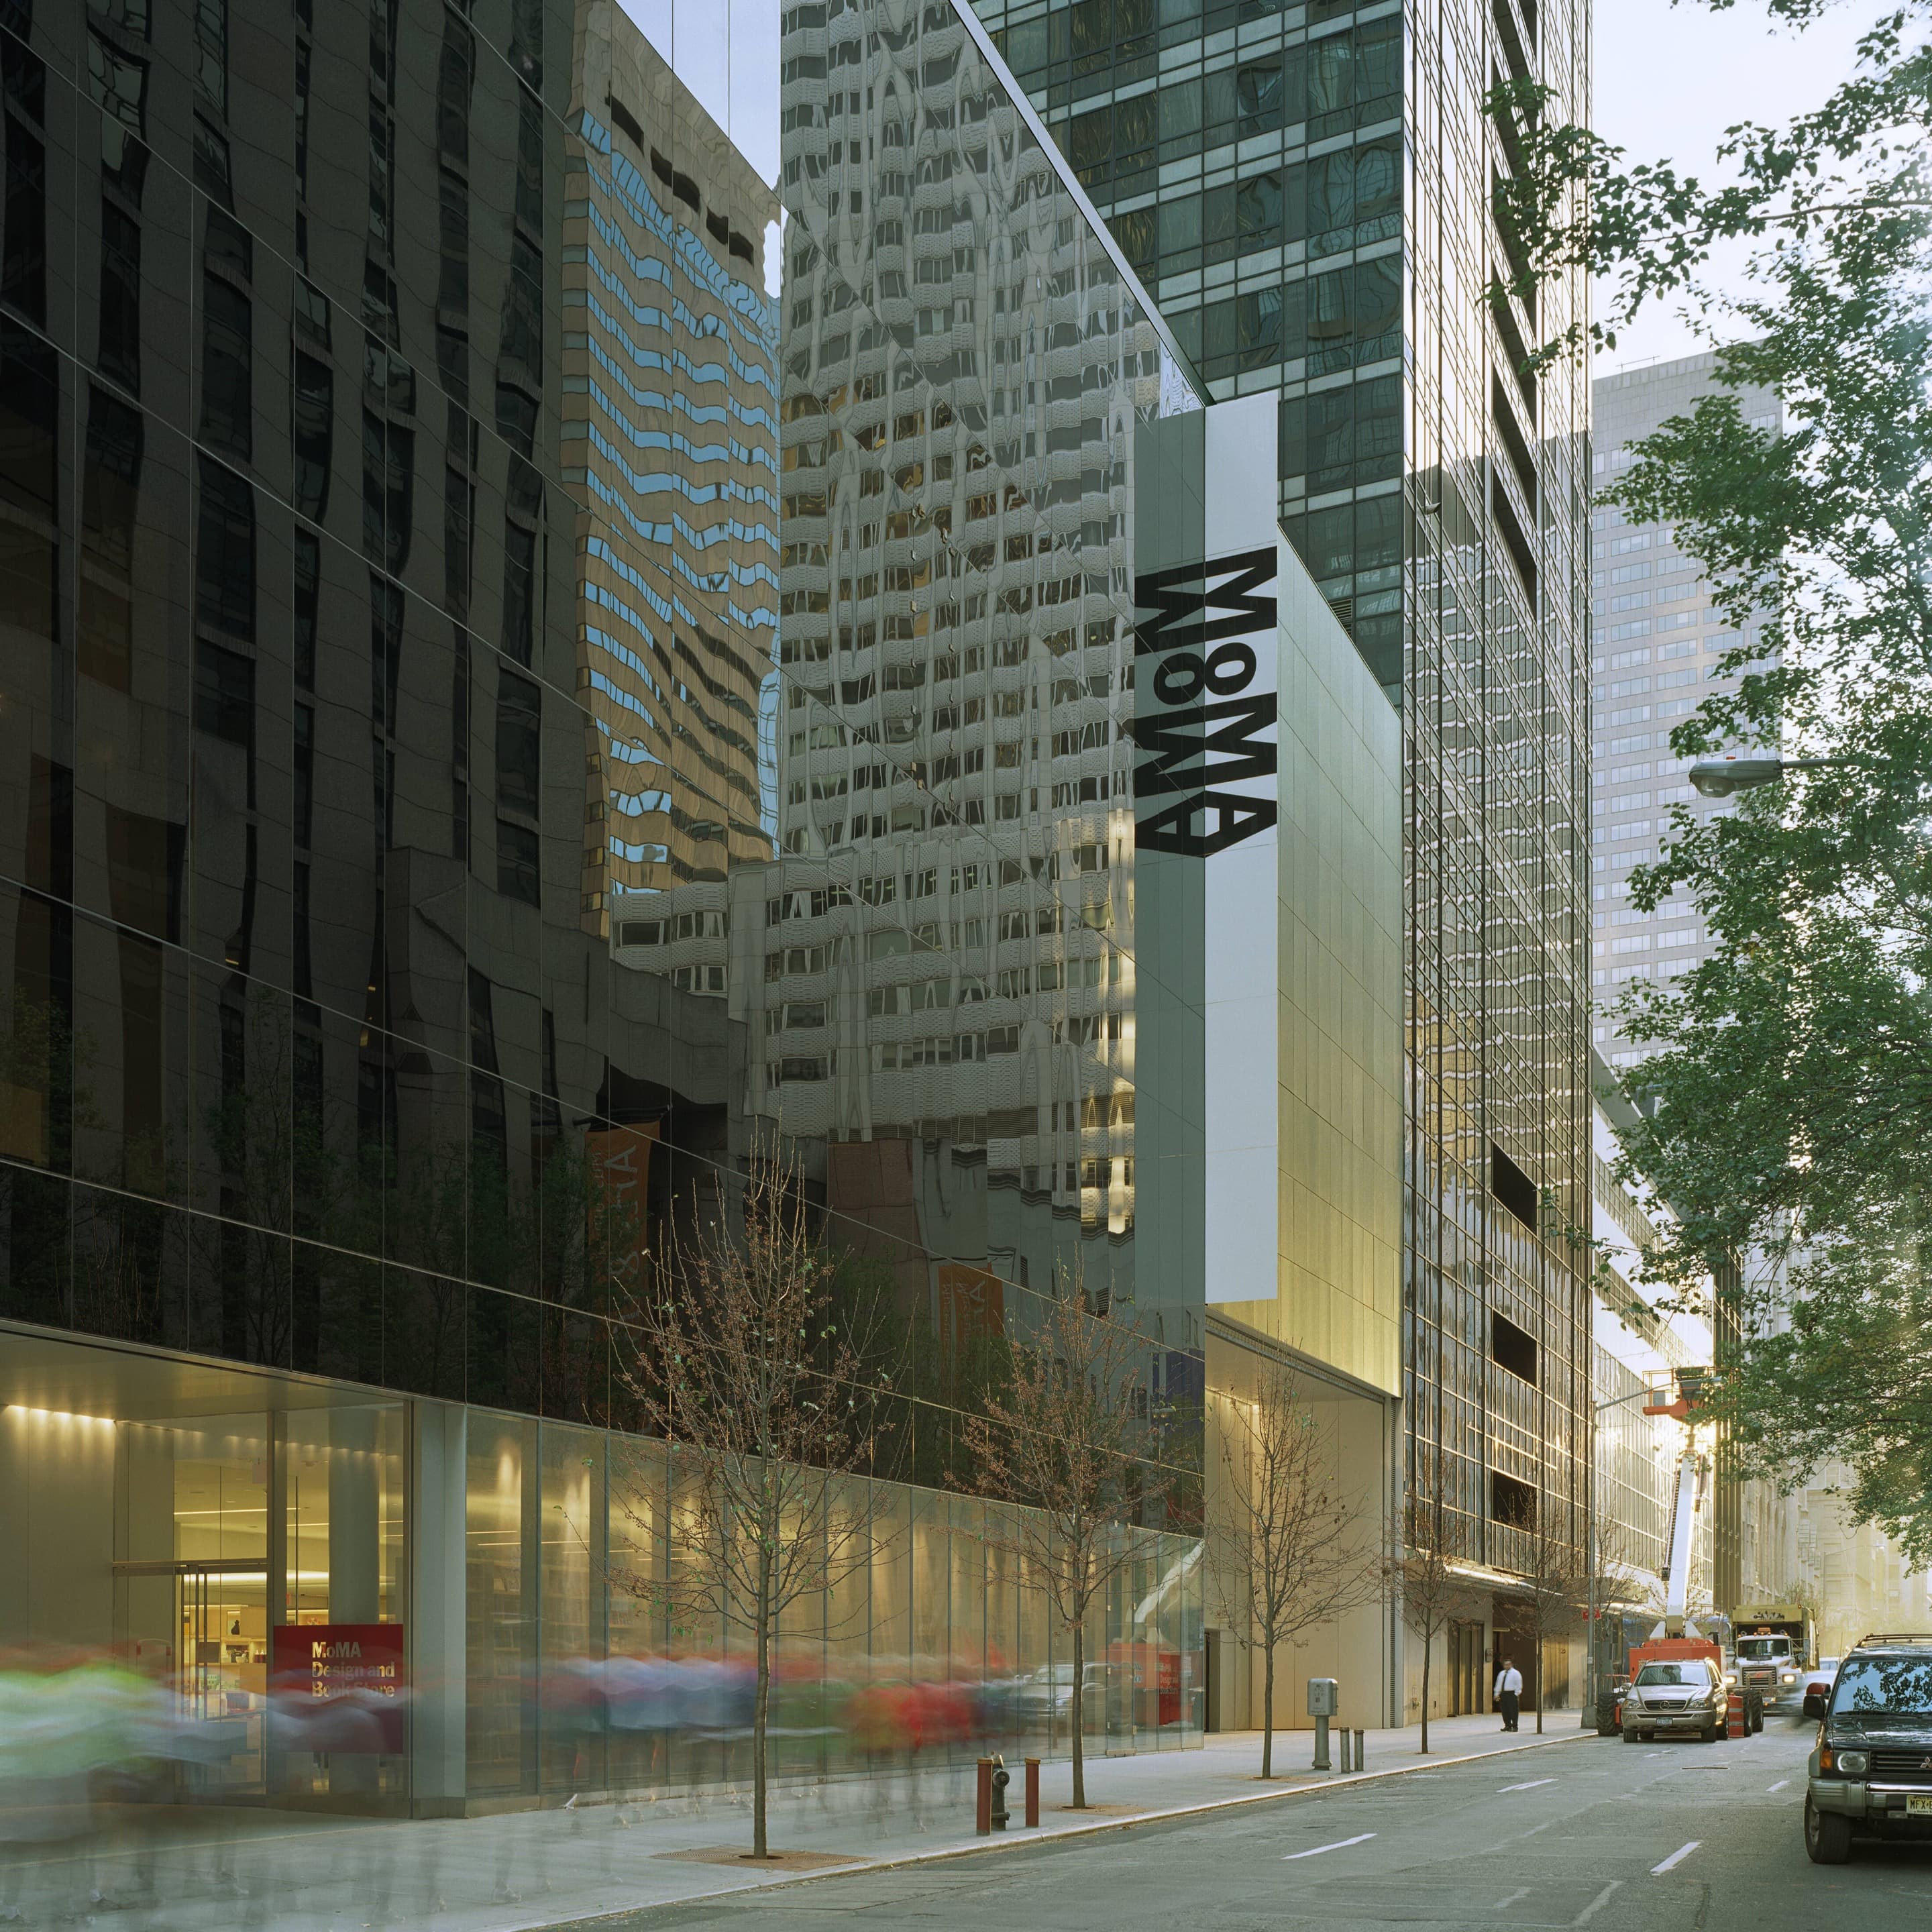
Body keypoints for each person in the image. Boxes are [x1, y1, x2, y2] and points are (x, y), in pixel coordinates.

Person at [1494, 1657, 1523, 1732]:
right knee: (1505, 1710)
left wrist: (1516, 1694)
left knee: (1513, 1710)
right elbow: (1498, 1684)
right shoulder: (1501, 1674)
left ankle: (1515, 1726)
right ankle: (1507, 1725)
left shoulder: (1516, 1673)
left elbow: (1519, 1684)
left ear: (1511, 1665)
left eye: (1508, 1665)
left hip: (1512, 1693)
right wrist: (1497, 1693)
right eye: (1505, 1665)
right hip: (1504, 1694)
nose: (1507, 1666)